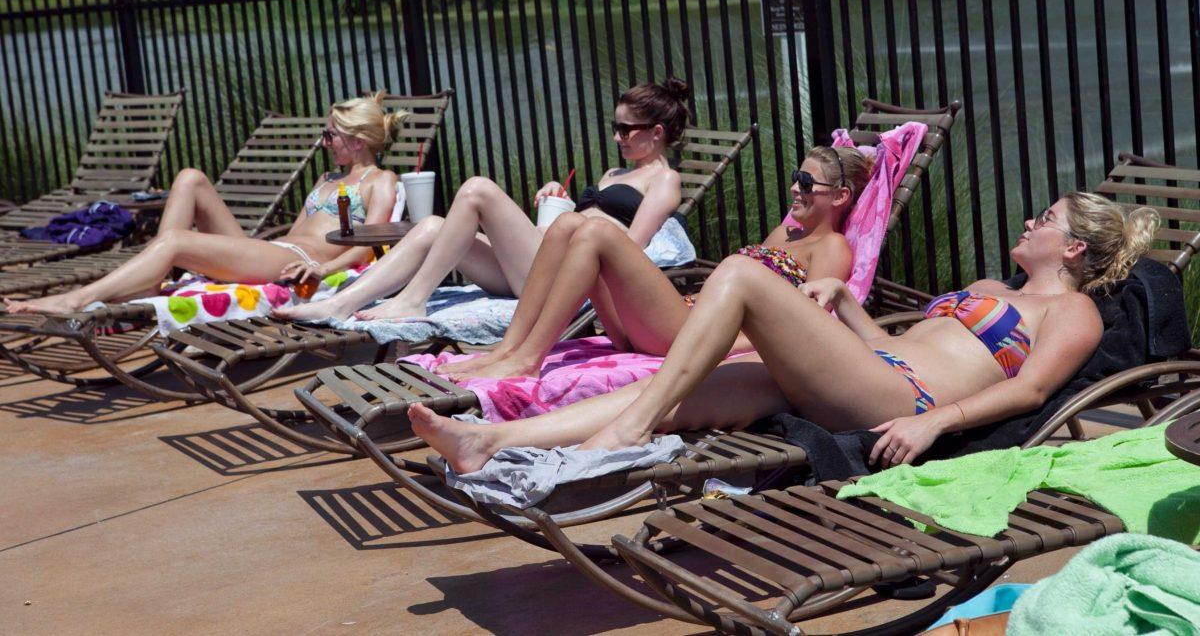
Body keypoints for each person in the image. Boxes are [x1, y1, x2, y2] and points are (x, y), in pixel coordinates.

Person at [408, 191, 1159, 473]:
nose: (1029, 222)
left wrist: (936, 429)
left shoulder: (1072, 312)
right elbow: (901, 340)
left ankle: (628, 428)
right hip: (871, 370)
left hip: (910, 401)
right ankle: (493, 444)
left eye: (1047, 220)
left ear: (1073, 250)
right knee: (691, 390)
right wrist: (847, 306)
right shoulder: (992, 290)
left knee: (740, 274)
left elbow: (1030, 388)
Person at [271, 78, 695, 323]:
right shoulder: (614, 174)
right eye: (615, 127)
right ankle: (340, 304)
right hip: (542, 257)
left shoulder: (664, 181)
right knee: (431, 226)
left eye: (627, 129)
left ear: (657, 132)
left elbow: (628, 251)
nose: (618, 137)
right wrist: (561, 200)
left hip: (567, 280)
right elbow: (590, 220)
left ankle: (413, 301)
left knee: (477, 188)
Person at [438, 146, 870, 381]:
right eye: (797, 176)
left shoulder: (832, 247)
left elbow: (809, 325)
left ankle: (529, 358)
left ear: (839, 197)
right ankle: (510, 349)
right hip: (676, 318)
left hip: (691, 333)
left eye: (808, 183)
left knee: (597, 233)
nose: (796, 187)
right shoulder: (789, 232)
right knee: (568, 224)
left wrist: (723, 346)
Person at [5, 93, 402, 315]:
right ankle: (152, 278)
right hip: (274, 251)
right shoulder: (327, 178)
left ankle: (77, 298)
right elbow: (294, 229)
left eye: (330, 135)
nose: (324, 142)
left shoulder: (380, 182)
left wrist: (323, 267)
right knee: (190, 177)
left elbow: (372, 244)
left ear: (357, 140)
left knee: (177, 241)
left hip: (296, 261)